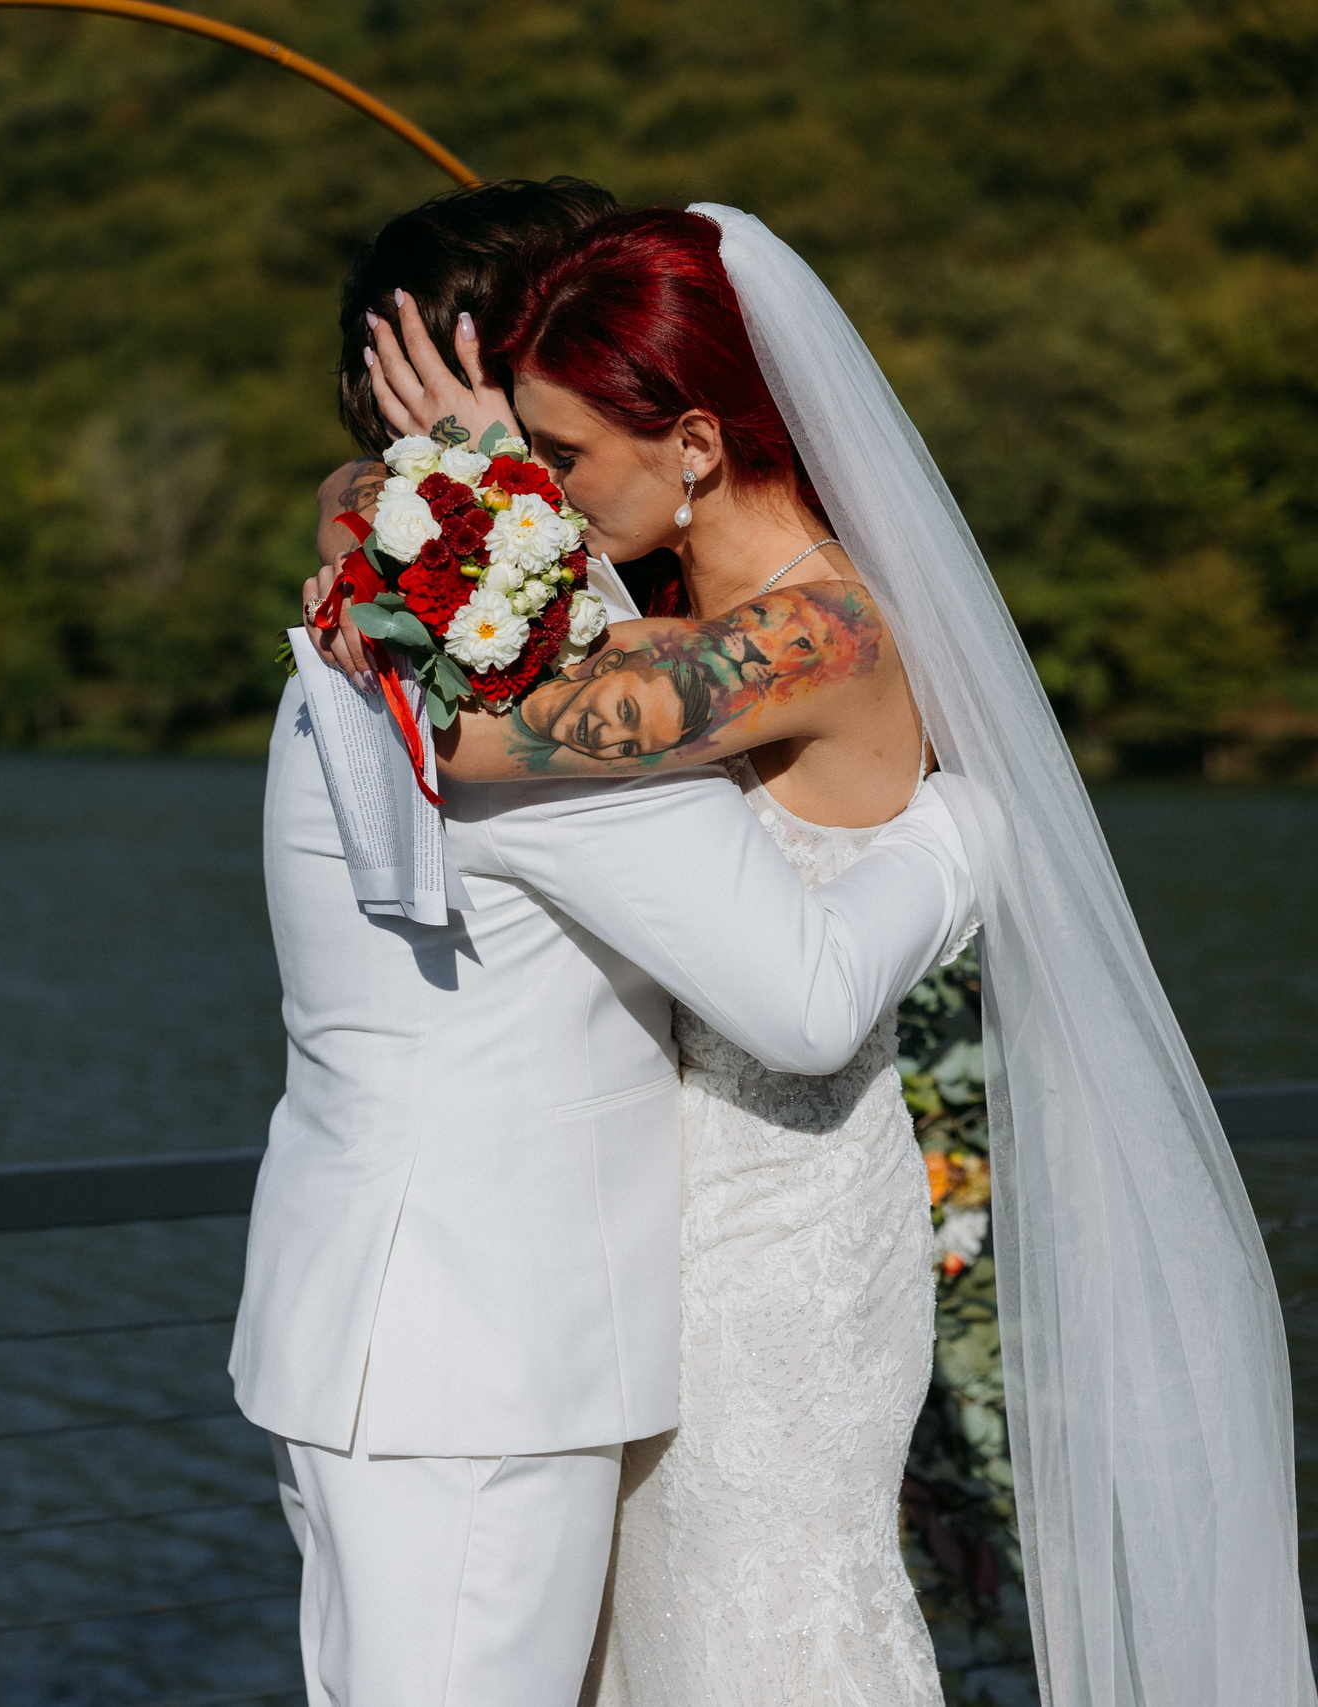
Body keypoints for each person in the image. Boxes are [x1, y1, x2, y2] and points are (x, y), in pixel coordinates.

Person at [318, 204, 1314, 1706]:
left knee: (758, 1619)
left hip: (778, 1237)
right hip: (643, 1234)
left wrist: (452, 493)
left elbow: (466, 730)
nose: (554, 501)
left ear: (697, 443)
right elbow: (428, 599)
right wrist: (415, 501)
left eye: (565, 459)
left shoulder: (814, 639)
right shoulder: (670, 598)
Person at [237, 181, 979, 1707]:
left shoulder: (374, 608)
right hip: (480, 1358)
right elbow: (806, 995)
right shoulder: (509, 665)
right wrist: (980, 835)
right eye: (544, 437)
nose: (562, 488)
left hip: (409, 1330)